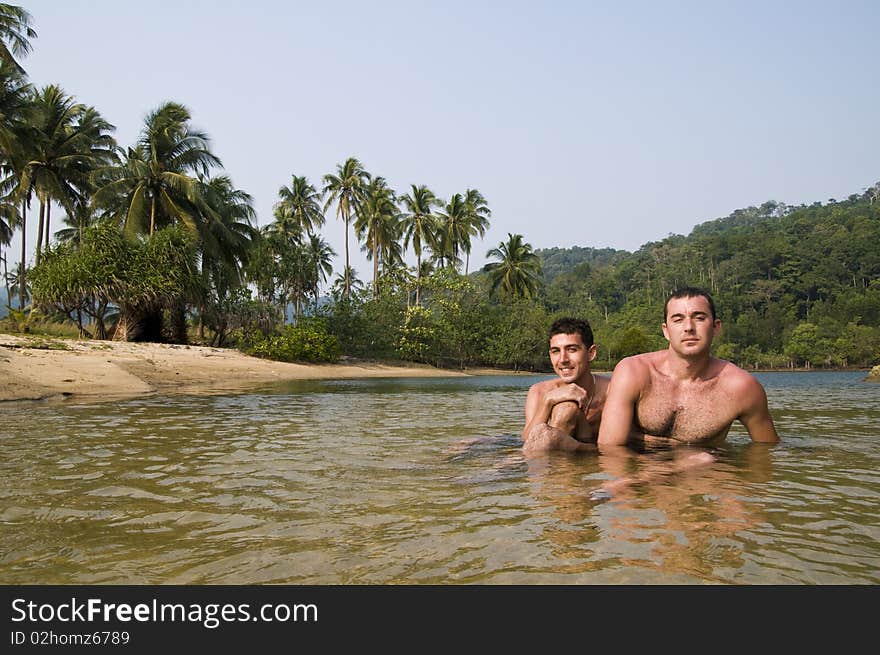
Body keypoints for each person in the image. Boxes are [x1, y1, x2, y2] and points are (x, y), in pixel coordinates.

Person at [597, 287, 779, 450]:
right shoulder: (633, 371)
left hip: (702, 478)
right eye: (678, 320)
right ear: (666, 331)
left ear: (716, 327)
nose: (689, 327)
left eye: (699, 318)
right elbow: (610, 450)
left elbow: (766, 452)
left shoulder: (742, 388)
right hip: (642, 473)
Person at [522, 317, 610, 453]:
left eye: (572, 349)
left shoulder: (611, 391)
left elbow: (617, 448)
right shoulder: (539, 391)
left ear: (591, 353)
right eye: (556, 351)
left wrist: (567, 444)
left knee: (566, 409)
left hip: (590, 454)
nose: (563, 360)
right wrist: (548, 401)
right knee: (566, 409)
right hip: (554, 456)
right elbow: (528, 442)